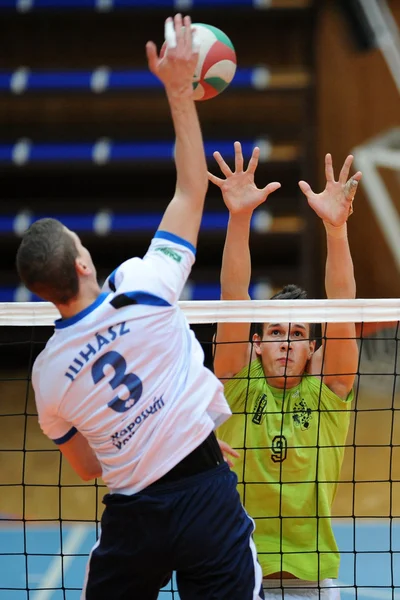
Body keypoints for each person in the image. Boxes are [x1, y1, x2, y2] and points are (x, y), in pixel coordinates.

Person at [15, 21, 264, 600]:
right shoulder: (141, 285)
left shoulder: (48, 374)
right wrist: (180, 92)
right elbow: (189, 190)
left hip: (135, 523)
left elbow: (87, 467)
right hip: (205, 494)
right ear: (81, 266)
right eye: (81, 244)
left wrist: (151, 436)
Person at [209, 141, 362, 599]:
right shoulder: (237, 386)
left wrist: (336, 230)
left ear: (315, 347)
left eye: (298, 334)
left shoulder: (328, 394)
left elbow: (343, 306)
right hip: (240, 573)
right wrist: (239, 219)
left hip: (311, 581)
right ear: (256, 344)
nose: (286, 343)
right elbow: (234, 297)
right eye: (275, 332)